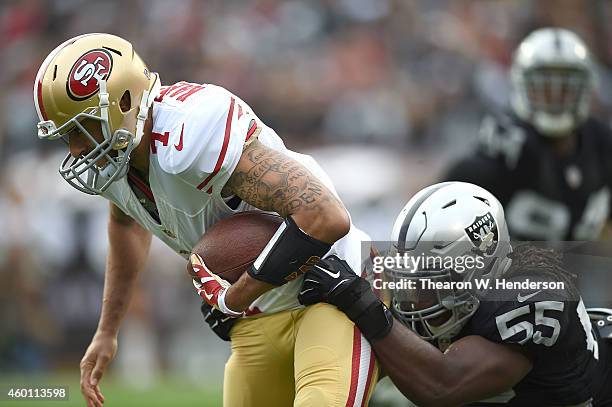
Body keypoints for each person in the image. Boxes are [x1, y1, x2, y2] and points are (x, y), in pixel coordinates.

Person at [34, 33, 377, 407]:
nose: (77, 149)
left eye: (83, 128)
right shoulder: (118, 156)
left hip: (332, 292)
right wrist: (107, 330)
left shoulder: (191, 130)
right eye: (67, 136)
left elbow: (324, 216)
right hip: (259, 315)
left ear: (126, 101)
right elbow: (126, 223)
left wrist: (233, 296)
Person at [297, 182, 612, 406]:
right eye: (411, 279)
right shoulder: (458, 296)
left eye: (434, 281)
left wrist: (360, 302)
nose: (415, 297)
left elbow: (441, 386)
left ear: (482, 266)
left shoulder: (529, 296)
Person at [443, 28, 612, 241]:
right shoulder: (506, 143)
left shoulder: (602, 144)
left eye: (565, 87)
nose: (556, 99)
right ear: (521, 84)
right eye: (545, 87)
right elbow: (445, 214)